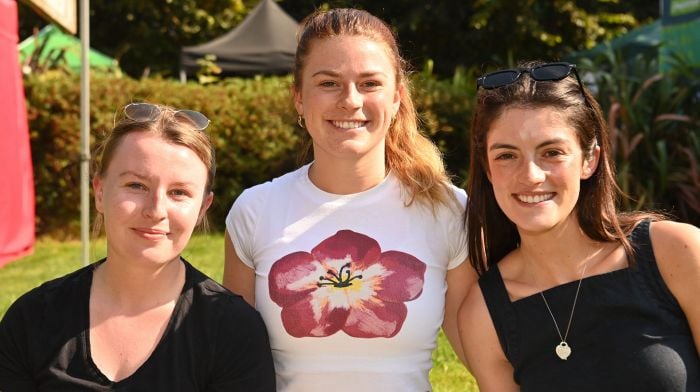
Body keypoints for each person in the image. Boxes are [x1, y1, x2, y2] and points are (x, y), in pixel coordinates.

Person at [223, 8, 476, 391]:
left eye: (369, 83)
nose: (350, 100)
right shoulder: (254, 212)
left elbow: (483, 357)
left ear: (396, 99)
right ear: (298, 98)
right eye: (328, 83)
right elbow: (235, 369)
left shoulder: (446, 210)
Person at [458, 60, 700, 391]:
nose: (530, 176)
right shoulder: (483, 314)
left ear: (590, 160)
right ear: (487, 168)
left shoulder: (676, 252)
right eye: (507, 155)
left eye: (552, 152)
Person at [0, 103, 276, 391]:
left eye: (178, 192)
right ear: (99, 191)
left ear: (203, 209)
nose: (156, 210)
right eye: (136, 186)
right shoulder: (33, 320)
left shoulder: (232, 331)